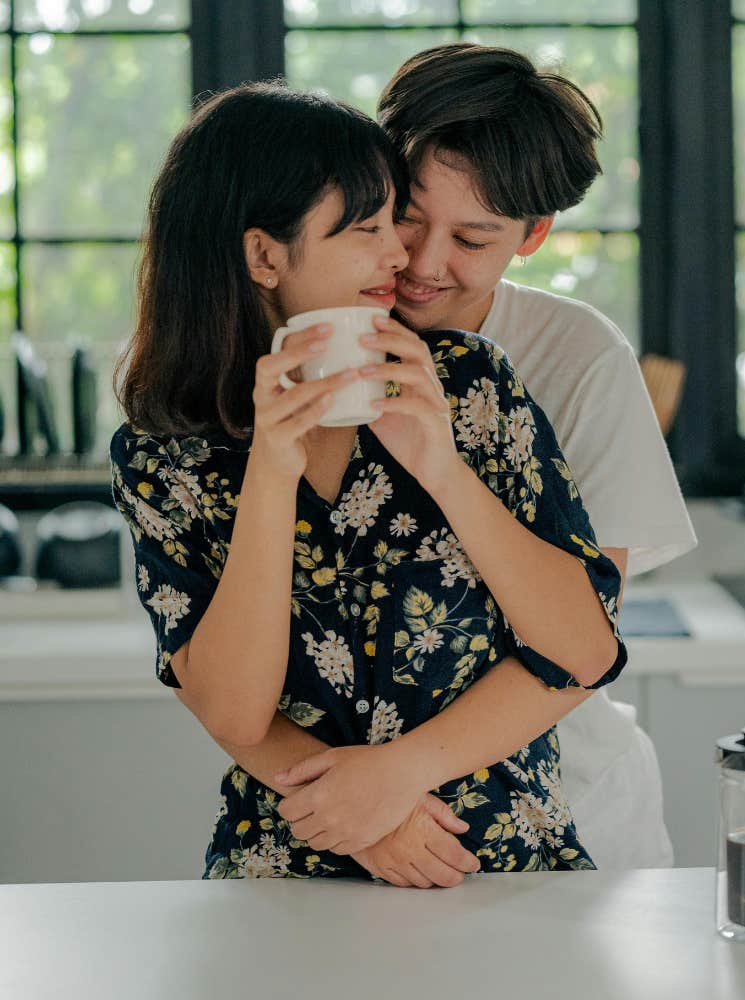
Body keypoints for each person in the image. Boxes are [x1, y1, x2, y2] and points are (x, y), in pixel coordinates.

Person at [110, 80, 627, 883]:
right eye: (370, 228)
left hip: (500, 871)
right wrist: (272, 478)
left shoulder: (468, 380)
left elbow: (586, 648)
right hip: (290, 874)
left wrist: (441, 467)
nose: (404, 256)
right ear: (263, 256)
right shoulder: (165, 457)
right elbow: (236, 712)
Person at [376, 42, 697, 868]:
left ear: (534, 234)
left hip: (574, 805)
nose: (423, 261)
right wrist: (368, 800)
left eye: (473, 238)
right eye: (408, 214)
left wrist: (395, 777)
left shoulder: (578, 355)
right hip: (352, 823)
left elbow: (582, 642)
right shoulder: (309, 335)